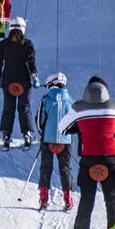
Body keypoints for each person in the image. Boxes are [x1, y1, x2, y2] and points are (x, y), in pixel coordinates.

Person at [58, 76, 115, 229]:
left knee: (87, 197)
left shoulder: (78, 108)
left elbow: (62, 128)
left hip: (88, 159)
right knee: (111, 197)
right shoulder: (114, 105)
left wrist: (78, 125)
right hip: (110, 158)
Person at [0, 16, 36, 148]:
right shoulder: (27, 43)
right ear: (23, 28)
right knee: (24, 107)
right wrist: (34, 76)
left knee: (8, 108)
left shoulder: (3, 44)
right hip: (23, 81)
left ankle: (6, 135)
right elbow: (31, 60)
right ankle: (27, 134)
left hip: (8, 81)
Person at [36, 72, 75, 210]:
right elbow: (74, 122)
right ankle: (68, 199)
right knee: (65, 169)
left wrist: (43, 134)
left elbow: (40, 121)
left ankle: (43, 199)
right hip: (65, 140)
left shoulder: (46, 99)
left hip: (48, 140)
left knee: (45, 168)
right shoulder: (70, 101)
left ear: (50, 83)